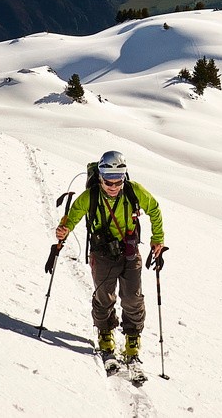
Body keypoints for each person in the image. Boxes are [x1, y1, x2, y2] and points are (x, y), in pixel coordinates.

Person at [55, 150, 166, 362]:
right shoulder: (91, 196)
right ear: (100, 178)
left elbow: (154, 209)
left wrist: (158, 238)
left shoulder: (134, 191)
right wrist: (64, 229)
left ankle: (132, 338)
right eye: (109, 182)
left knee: (133, 297)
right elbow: (74, 215)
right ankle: (105, 333)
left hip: (130, 251)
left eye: (118, 181)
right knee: (104, 296)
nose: (114, 187)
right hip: (102, 252)